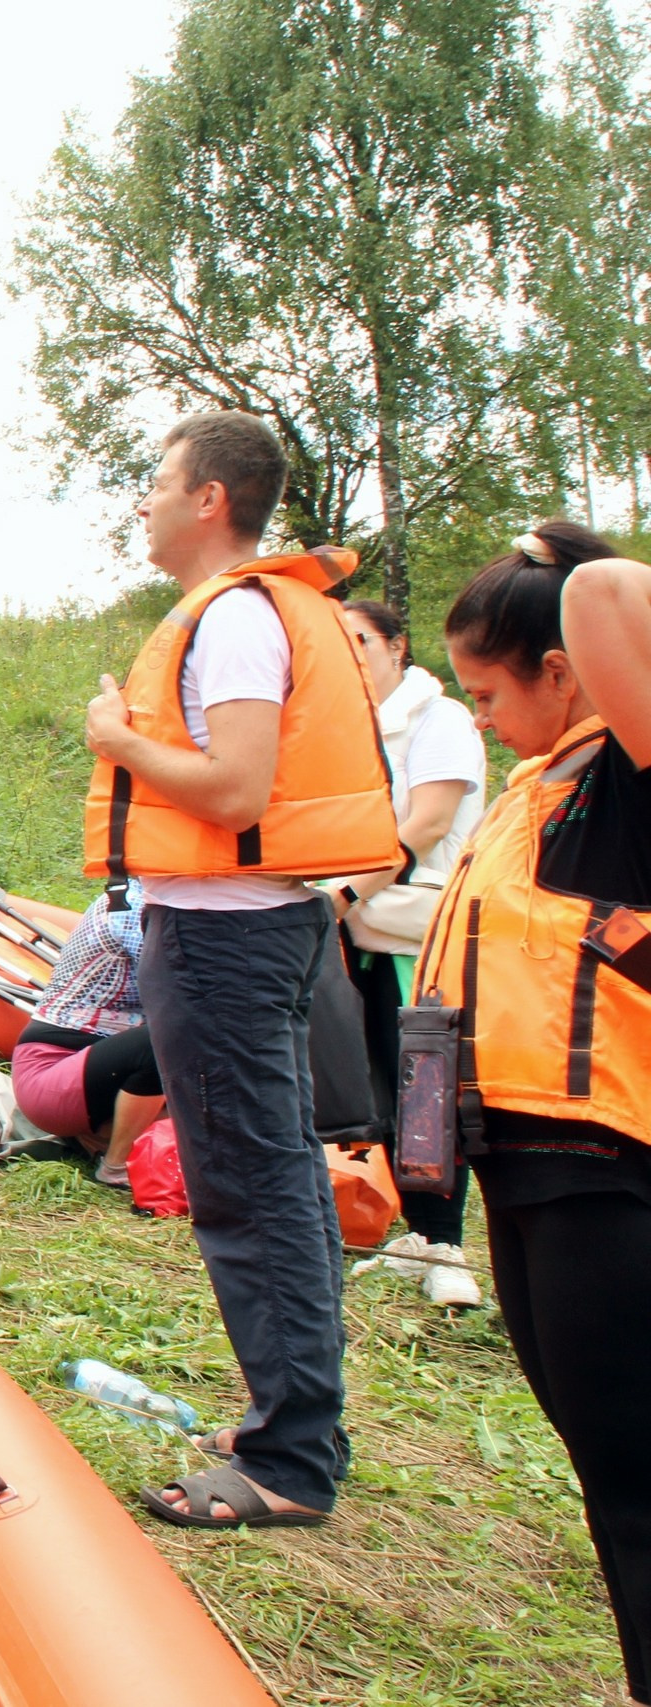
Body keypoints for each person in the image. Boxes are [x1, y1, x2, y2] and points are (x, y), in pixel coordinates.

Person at [83, 411, 399, 1532]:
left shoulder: (234, 620)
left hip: (226, 937)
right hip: (245, 927)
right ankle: (295, 1417)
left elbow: (233, 792)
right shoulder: (255, 610)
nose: (146, 502)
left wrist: (118, 742)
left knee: (251, 1191)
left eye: (159, 483)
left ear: (209, 499)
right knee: (275, 1180)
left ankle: (289, 1462)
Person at [420, 525, 651, 1701]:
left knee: (638, 1478)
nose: (477, 717)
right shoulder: (540, 790)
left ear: (563, 671)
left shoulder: (628, 775)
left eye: (489, 691)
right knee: (606, 1469)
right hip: (524, 1174)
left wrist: (563, 558)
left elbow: (614, 595)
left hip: (604, 1180)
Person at [329, 596, 488, 1308]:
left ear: (396, 646)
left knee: (428, 1085)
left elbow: (427, 822)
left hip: (417, 930)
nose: (350, 651)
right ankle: (422, 1233)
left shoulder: (439, 718)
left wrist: (344, 893)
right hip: (367, 925)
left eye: (361, 638)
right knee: (389, 1085)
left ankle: (450, 1245)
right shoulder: (353, 727)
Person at [10, 880, 166, 1189]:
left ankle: (99, 1136)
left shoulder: (155, 899)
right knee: (170, 1039)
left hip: (101, 1073)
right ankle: (115, 1165)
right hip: (52, 1073)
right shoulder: (134, 907)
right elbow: (180, 996)